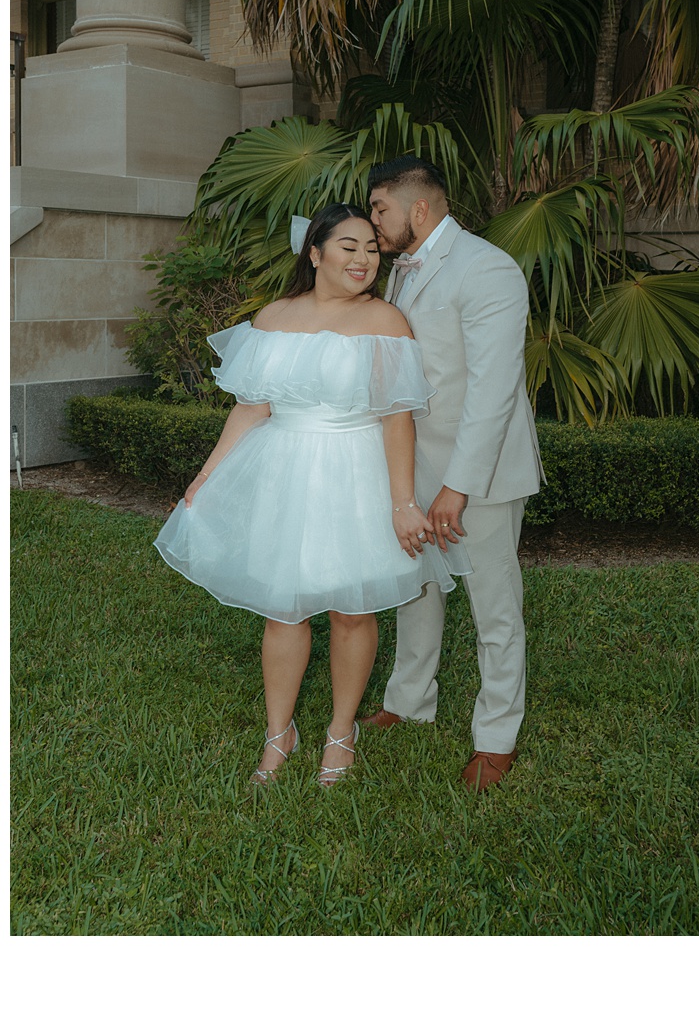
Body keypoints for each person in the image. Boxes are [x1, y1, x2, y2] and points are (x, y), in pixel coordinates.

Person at [154, 203, 470, 787]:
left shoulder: (385, 322)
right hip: (284, 472)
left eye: (373, 249)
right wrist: (205, 476)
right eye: (349, 247)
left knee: (354, 610)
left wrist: (403, 503)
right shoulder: (274, 317)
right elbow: (252, 409)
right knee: (284, 609)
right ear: (315, 252)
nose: (364, 259)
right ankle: (280, 734)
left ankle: (340, 731)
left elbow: (396, 419)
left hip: (356, 475)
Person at [363, 157, 544, 792]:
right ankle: (410, 700)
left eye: (379, 209)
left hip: (481, 473)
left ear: (419, 210)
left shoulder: (487, 268)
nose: (372, 222)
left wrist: (458, 487)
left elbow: (494, 392)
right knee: (417, 590)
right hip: (416, 465)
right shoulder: (399, 273)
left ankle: (496, 736)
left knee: (495, 607)